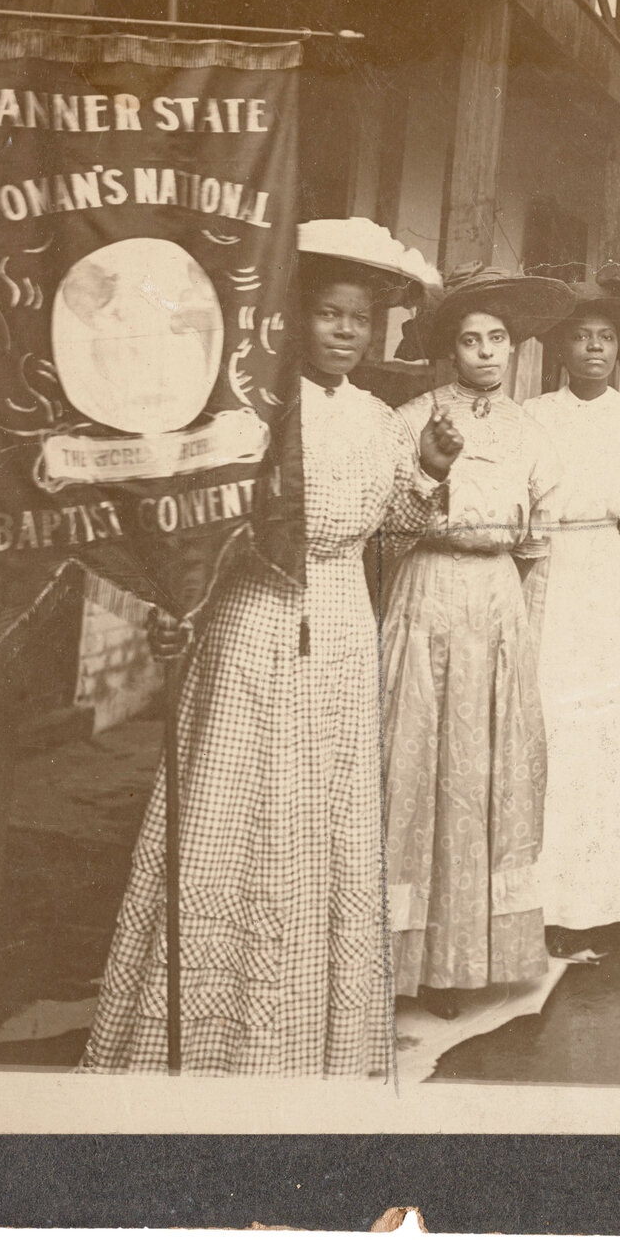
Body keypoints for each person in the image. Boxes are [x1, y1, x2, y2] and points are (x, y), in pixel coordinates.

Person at [82, 217, 446, 1075]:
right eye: (330, 314)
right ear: (297, 316)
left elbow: (395, 524)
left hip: (345, 624)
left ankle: (311, 1039)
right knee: (239, 804)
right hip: (253, 618)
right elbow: (197, 525)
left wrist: (427, 468)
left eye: (361, 318)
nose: (347, 332)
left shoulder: (380, 418)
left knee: (323, 813)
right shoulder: (252, 407)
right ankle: (216, 1037)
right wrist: (178, 604)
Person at [378, 264, 574, 1018]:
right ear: (448, 350)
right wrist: (432, 469)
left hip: (497, 602)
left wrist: (524, 634)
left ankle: (470, 957)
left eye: (497, 339)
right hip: (427, 592)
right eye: (470, 340)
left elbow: (542, 544)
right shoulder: (412, 418)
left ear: (515, 347)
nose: (486, 353)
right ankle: (406, 955)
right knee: (417, 763)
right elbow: (391, 522)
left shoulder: (532, 432)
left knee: (483, 770)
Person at [524, 280, 620, 944]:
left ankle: (615, 895)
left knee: (613, 729)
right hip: (549, 575)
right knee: (552, 721)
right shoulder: (531, 416)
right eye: (581, 336)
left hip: (610, 580)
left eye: (606, 338)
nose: (593, 347)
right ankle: (545, 900)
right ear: (561, 347)